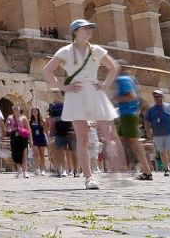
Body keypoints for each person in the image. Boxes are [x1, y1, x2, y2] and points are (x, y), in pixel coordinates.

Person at [42, 19, 123, 190]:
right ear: (75, 32)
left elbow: (113, 67)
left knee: (108, 134)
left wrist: (105, 84)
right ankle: (89, 177)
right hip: (76, 92)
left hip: (94, 91)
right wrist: (63, 86)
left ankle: (116, 172)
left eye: (89, 28)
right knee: (82, 137)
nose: (89, 31)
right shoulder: (65, 51)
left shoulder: (96, 50)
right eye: (85, 28)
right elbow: (47, 70)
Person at [111, 67, 154, 180]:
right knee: (124, 141)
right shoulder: (130, 79)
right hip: (128, 114)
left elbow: (131, 96)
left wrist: (117, 98)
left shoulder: (123, 79)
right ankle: (127, 167)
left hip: (128, 114)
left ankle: (146, 170)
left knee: (134, 142)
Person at [144, 89, 170, 177]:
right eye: (155, 97)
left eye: (159, 96)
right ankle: (167, 169)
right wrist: (147, 131)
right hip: (157, 134)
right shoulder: (151, 109)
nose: (157, 98)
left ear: (162, 97)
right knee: (162, 151)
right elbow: (146, 121)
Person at [47, 89, 74, 177]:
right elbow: (52, 121)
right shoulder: (53, 107)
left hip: (68, 129)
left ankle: (68, 169)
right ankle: (60, 169)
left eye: (55, 93)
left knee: (68, 151)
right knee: (59, 150)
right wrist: (51, 133)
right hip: (58, 131)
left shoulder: (67, 104)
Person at [6, 107, 31, 178]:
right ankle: (19, 169)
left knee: (24, 154)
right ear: (13, 109)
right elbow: (6, 127)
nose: (16, 109)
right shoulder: (10, 117)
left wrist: (31, 140)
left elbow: (28, 129)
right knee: (15, 154)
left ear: (20, 109)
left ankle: (25, 171)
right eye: (14, 108)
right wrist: (9, 127)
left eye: (17, 108)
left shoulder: (24, 118)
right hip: (14, 137)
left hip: (23, 137)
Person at [28, 107, 48, 176]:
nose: (34, 112)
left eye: (35, 111)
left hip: (41, 138)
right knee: (36, 154)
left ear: (38, 112)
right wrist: (30, 140)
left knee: (42, 154)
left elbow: (45, 130)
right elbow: (29, 132)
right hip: (34, 139)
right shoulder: (30, 121)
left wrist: (44, 125)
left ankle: (43, 169)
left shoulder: (42, 121)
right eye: (33, 111)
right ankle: (37, 169)